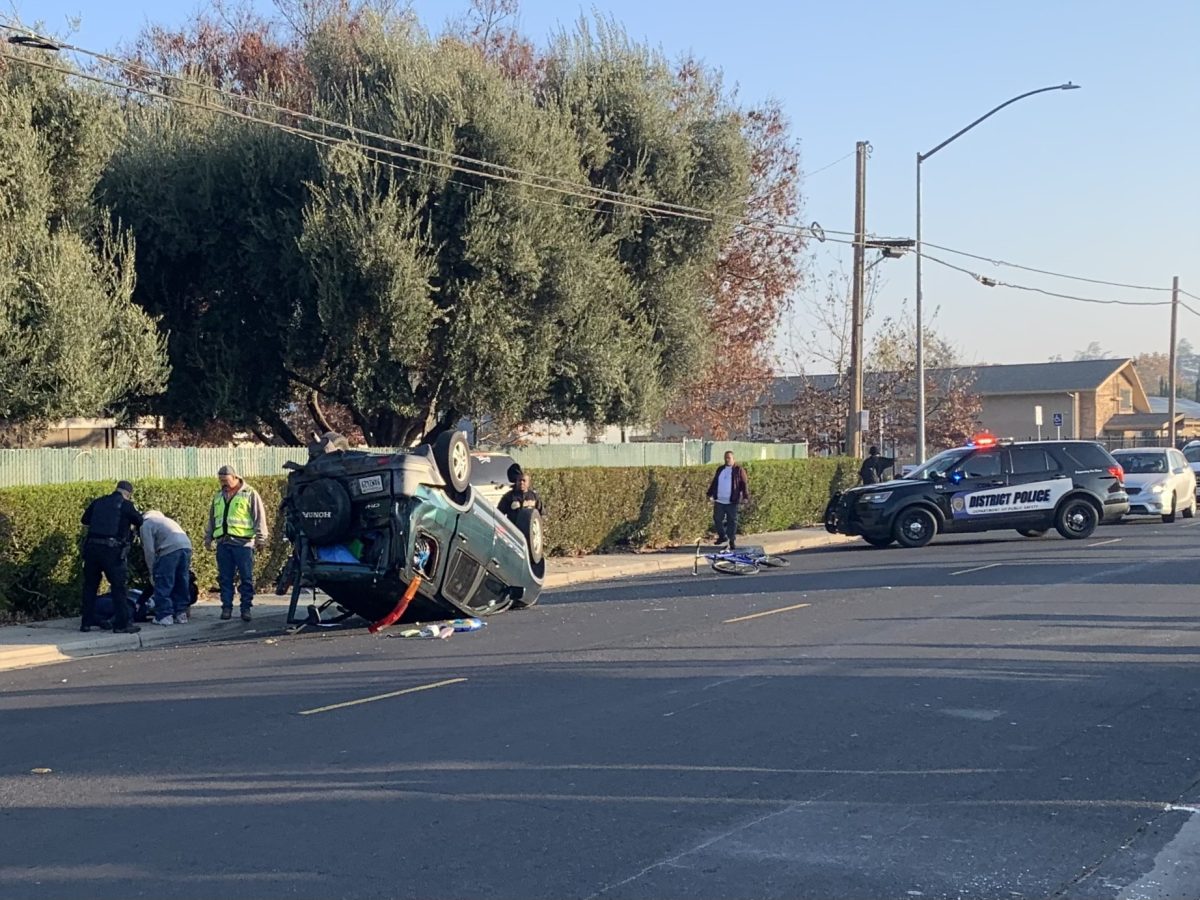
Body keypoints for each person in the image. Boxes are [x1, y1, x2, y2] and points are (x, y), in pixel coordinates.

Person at [204, 464, 269, 622]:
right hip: (223, 543)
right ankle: (226, 608)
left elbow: (259, 517)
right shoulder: (219, 496)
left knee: (246, 578)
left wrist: (261, 539)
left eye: (225, 480)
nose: (223, 484)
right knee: (225, 578)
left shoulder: (249, 494)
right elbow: (212, 520)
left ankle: (245, 608)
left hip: (243, 544)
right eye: (220, 481)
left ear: (235, 477)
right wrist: (208, 538)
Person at [79, 480, 144, 634]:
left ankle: (86, 623)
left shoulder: (98, 502)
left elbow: (85, 520)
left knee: (90, 586)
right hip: (112, 551)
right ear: (127, 494)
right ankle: (122, 624)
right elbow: (139, 521)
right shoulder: (126, 505)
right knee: (118, 587)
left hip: (92, 549)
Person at [140, 510, 194, 626]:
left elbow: (149, 550)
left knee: (164, 582)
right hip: (186, 547)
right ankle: (181, 614)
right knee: (181, 581)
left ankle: (164, 616)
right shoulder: (167, 521)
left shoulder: (146, 524)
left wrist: (152, 571)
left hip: (169, 550)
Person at [706, 450, 750, 550]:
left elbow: (744, 484)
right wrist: (709, 494)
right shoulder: (720, 469)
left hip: (732, 501)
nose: (727, 459)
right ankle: (722, 536)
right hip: (719, 500)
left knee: (732, 521)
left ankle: (732, 540)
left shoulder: (739, 470)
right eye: (726, 458)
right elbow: (714, 482)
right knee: (717, 519)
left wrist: (745, 497)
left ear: (733, 459)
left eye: (729, 458)